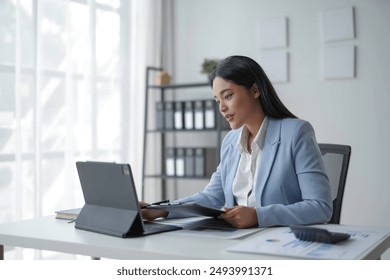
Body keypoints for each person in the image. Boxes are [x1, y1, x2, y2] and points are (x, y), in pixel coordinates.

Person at [141, 55, 332, 228]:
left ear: (255, 90)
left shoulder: (296, 132)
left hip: (279, 241)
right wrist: (162, 210)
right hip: (235, 239)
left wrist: (258, 215)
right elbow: (212, 197)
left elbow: (320, 207)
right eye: (217, 101)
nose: (222, 108)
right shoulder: (231, 141)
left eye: (228, 96)